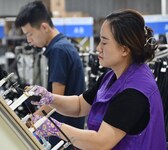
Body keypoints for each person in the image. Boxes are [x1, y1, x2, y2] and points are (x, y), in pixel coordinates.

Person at [27, 9, 167, 150]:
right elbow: (80, 105)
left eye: (104, 43)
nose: (98, 48)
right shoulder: (111, 76)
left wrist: (55, 128)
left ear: (125, 50)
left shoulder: (135, 92)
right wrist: (51, 99)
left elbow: (101, 143)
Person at [15, 1, 86, 147]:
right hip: (67, 128)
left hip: (63, 130)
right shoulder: (63, 46)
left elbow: (53, 99)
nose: (28, 40)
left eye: (30, 34)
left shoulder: (58, 50)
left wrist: (31, 120)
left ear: (44, 27)